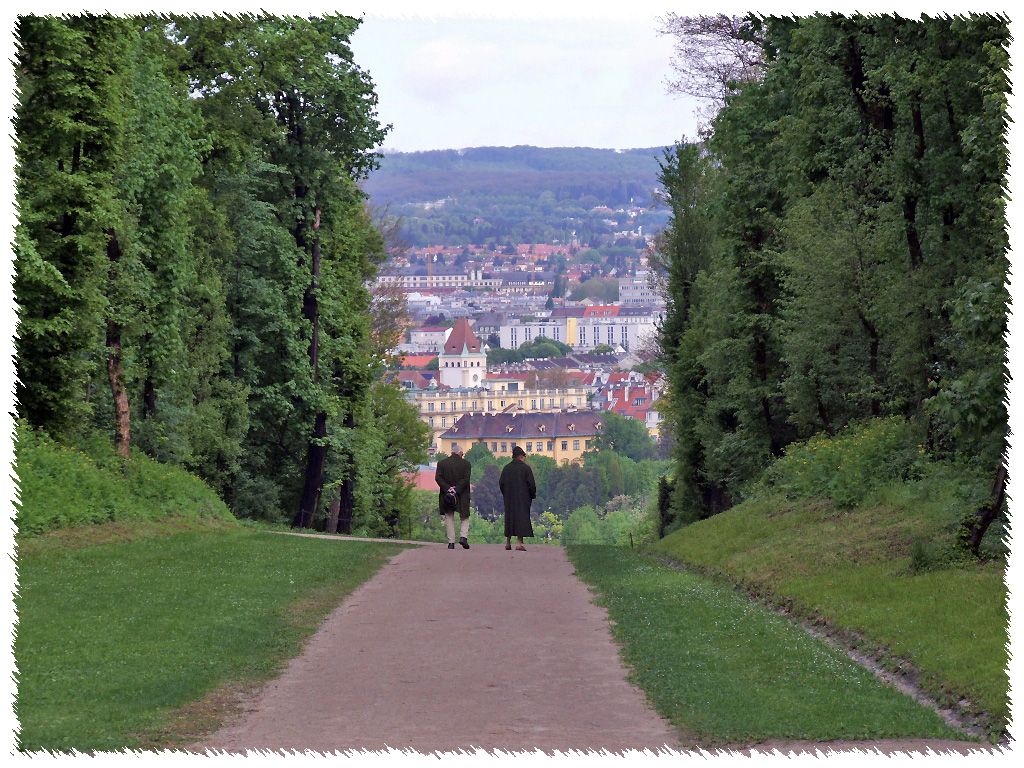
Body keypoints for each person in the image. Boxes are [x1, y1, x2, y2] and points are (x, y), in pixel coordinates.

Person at [435, 444, 472, 549]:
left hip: (446, 494)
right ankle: (463, 537)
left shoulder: (442, 464)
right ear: (460, 453)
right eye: (462, 453)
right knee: (464, 516)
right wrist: (456, 489)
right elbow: (466, 479)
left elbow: (438, 478)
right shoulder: (466, 464)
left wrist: (448, 488)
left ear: (451, 452)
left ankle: (451, 542)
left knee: (449, 516)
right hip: (462, 494)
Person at [499, 446, 536, 551]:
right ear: (521, 456)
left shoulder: (506, 468)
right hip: (523, 498)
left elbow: (501, 483)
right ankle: (519, 543)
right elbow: (531, 484)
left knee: (510, 518)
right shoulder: (526, 468)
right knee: (521, 519)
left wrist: (505, 494)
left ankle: (508, 542)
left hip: (509, 498)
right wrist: (532, 495)